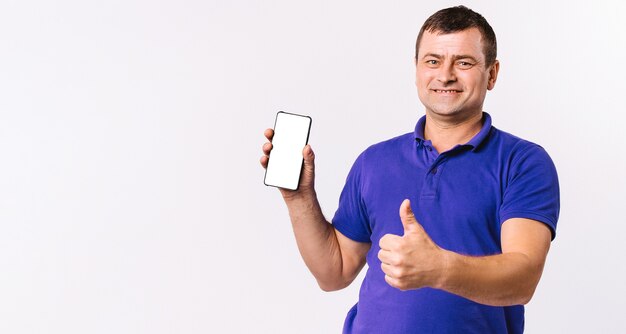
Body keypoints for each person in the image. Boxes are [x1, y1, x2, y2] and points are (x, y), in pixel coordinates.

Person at [260, 5, 559, 334]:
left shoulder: (523, 162)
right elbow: (334, 272)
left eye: (463, 62)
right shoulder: (374, 161)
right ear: (416, 69)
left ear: (492, 73)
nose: (445, 75)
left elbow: (523, 279)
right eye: (432, 61)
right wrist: (299, 198)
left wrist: (439, 268)